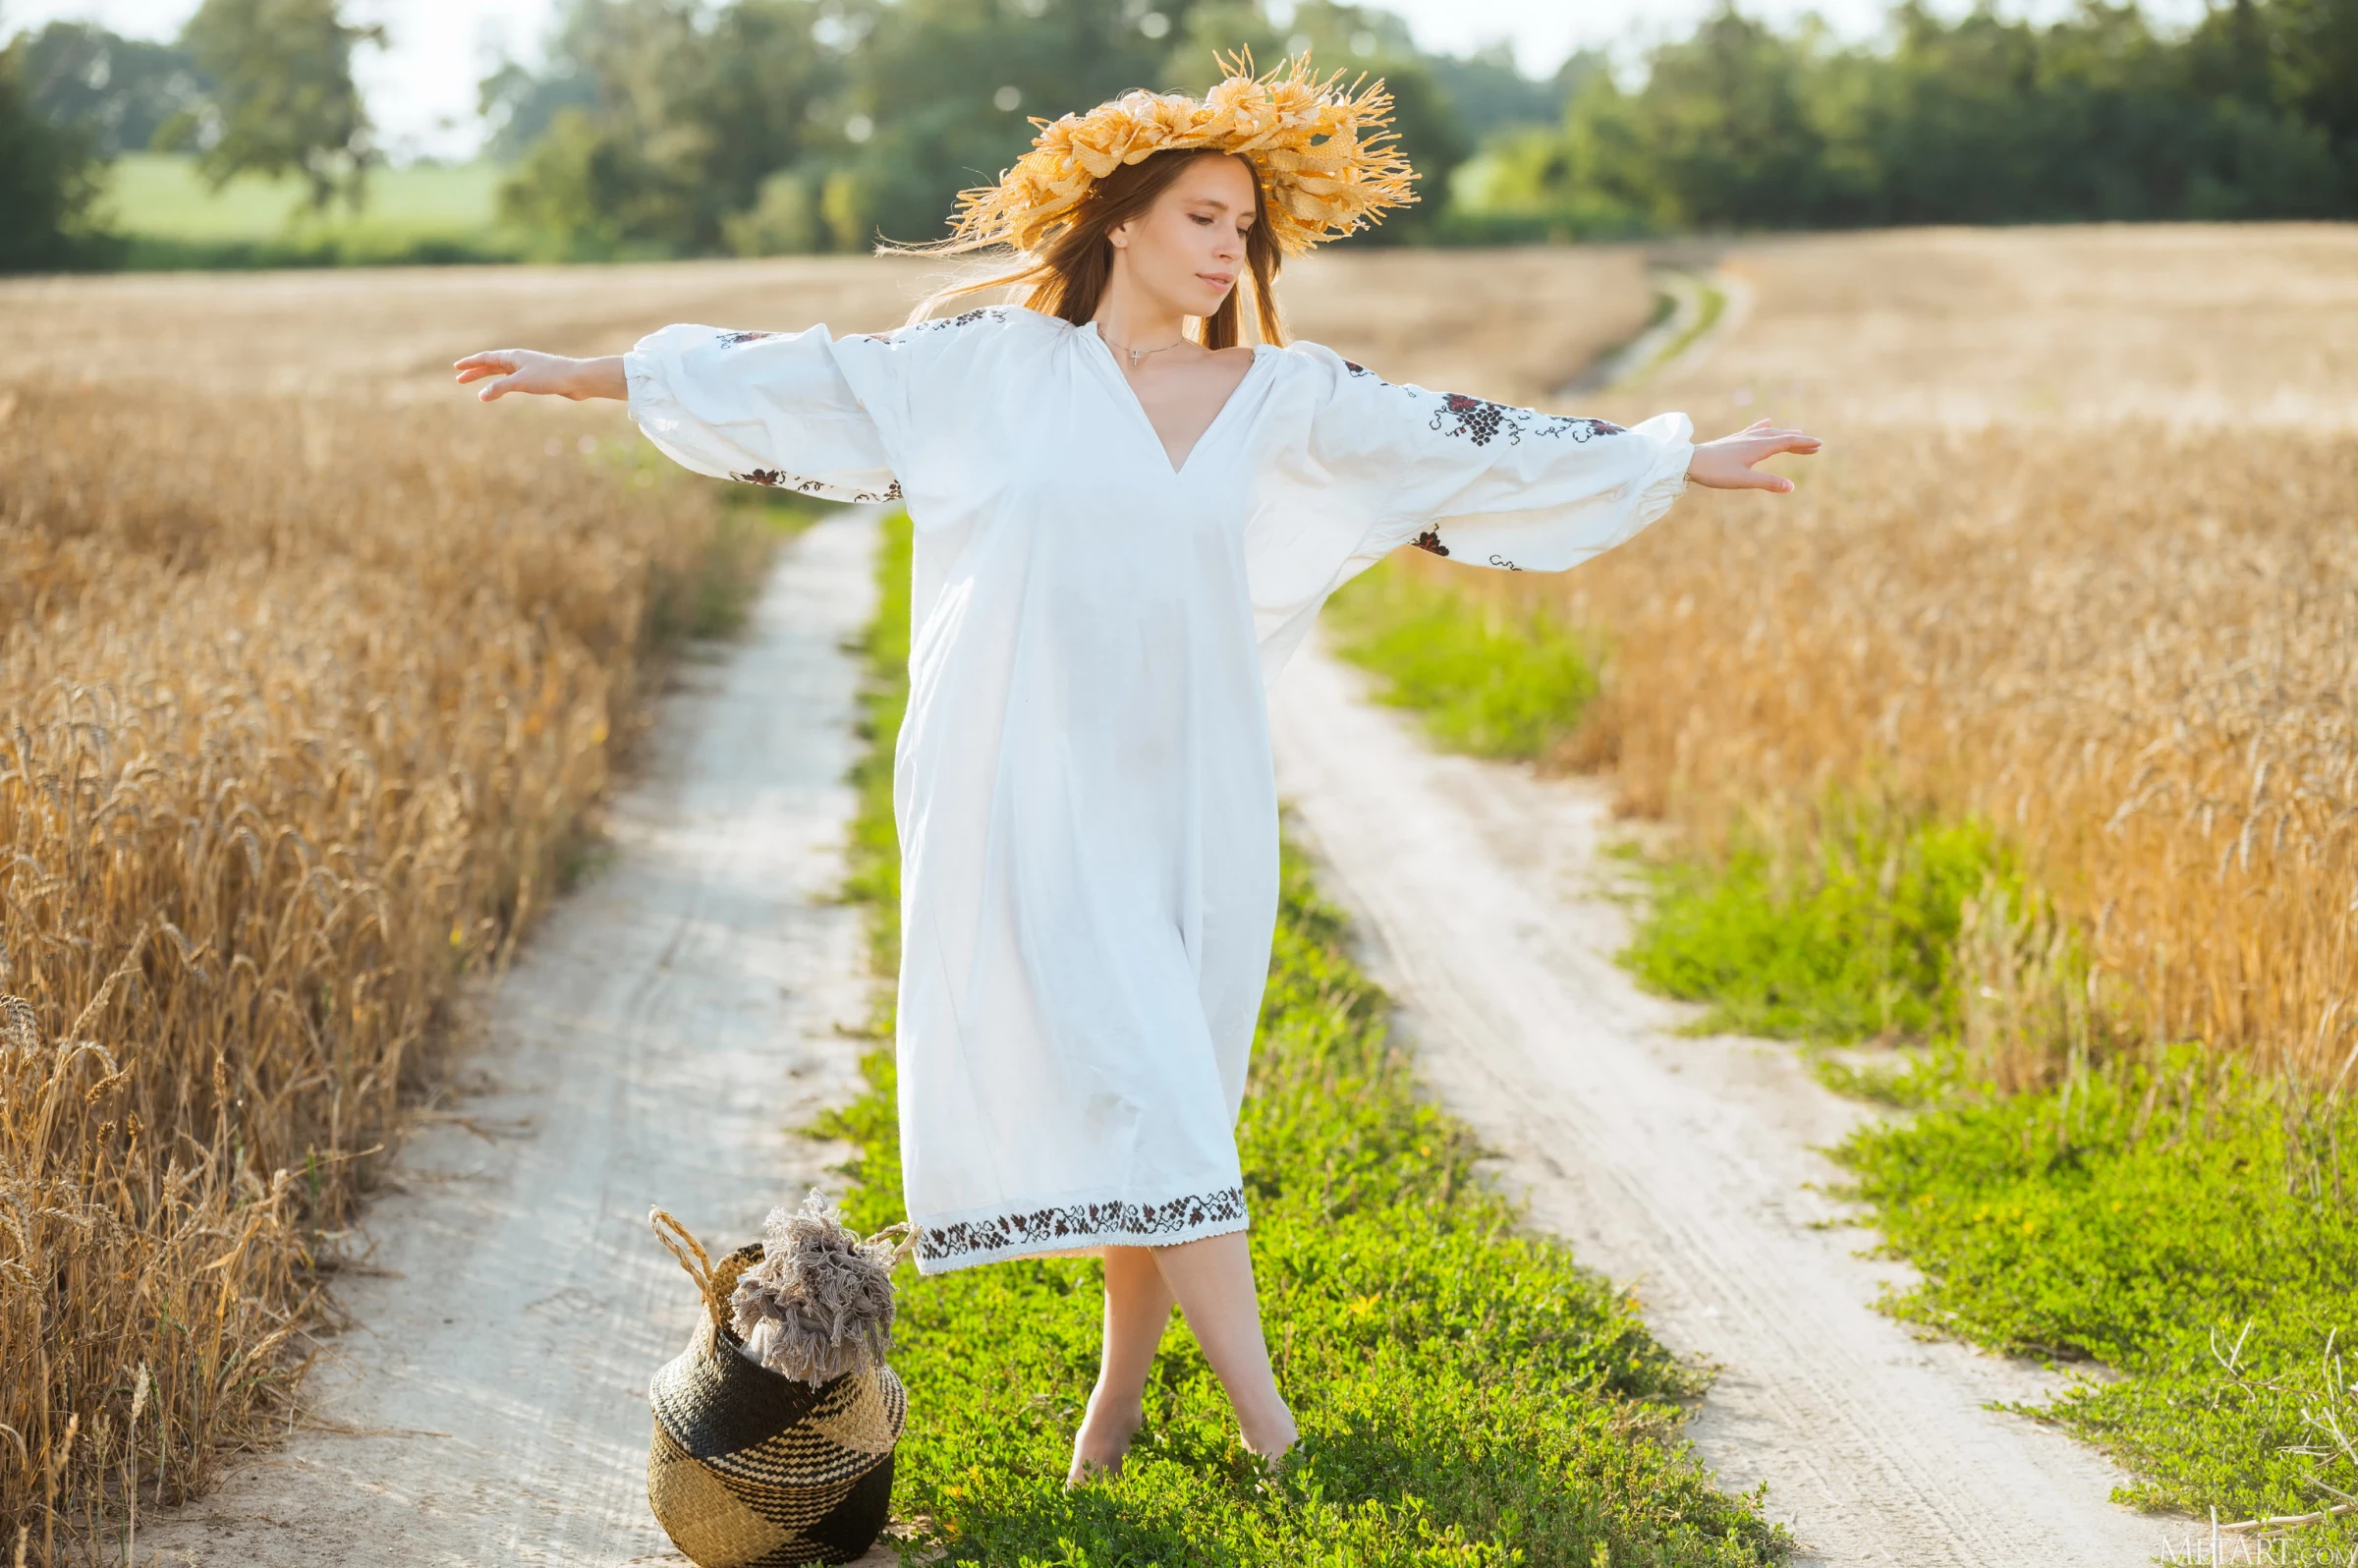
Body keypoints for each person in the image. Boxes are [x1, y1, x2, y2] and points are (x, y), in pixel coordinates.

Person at [454, 54, 1820, 1489]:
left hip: (1190, 794)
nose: (1233, 249)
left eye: (1246, 228)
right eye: (1205, 218)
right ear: (1120, 224)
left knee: (1162, 1103)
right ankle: (1277, 1438)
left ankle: (1111, 1410)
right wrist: (591, 376)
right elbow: (805, 376)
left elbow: (1462, 438)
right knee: (1154, 1093)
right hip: (1019, 783)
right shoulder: (991, 372)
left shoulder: (1287, 397)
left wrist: (1676, 458)